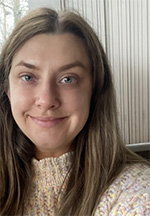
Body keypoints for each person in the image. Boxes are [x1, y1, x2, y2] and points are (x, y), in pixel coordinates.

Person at [0, 7, 150, 216]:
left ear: (95, 91)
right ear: (7, 89)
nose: (46, 100)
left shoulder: (135, 193)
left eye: (68, 79)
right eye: (27, 77)